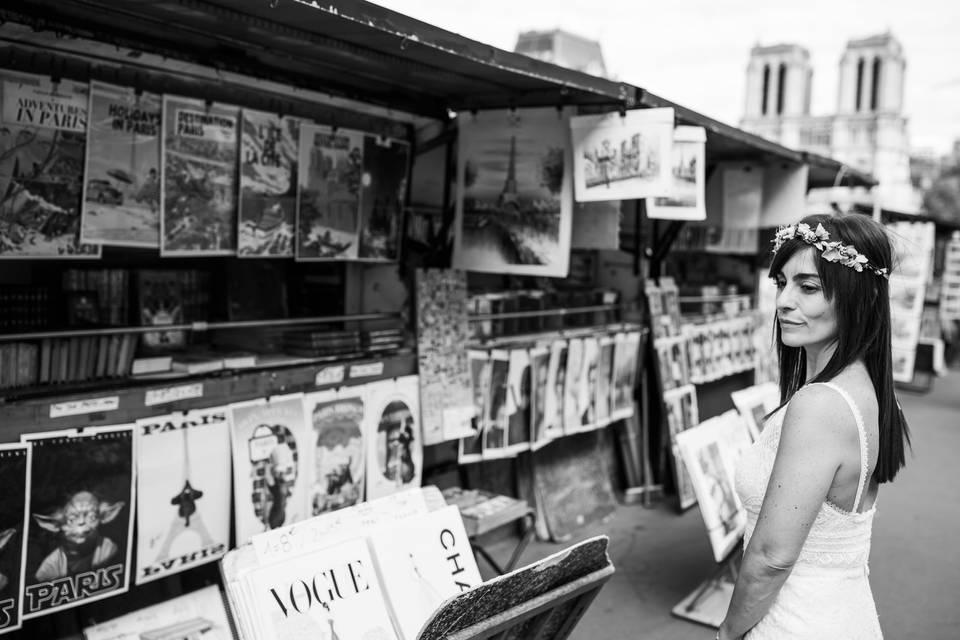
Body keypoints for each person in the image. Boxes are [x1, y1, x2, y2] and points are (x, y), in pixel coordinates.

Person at [718, 214, 910, 639]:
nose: (784, 301)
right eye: (781, 283)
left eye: (808, 287)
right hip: (842, 611)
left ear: (858, 299)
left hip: (795, 622)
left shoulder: (820, 405)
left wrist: (727, 632)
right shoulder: (868, 390)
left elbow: (771, 557)